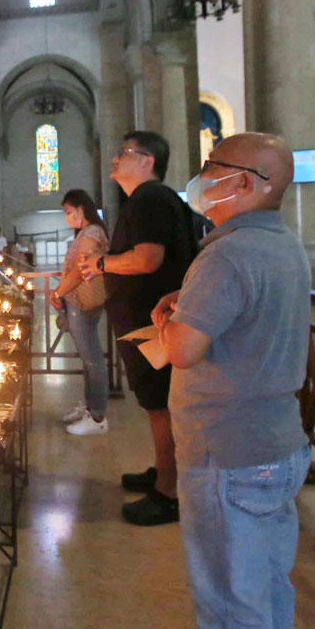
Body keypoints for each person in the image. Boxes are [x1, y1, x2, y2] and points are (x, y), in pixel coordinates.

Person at [152, 132, 311, 629]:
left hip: (228, 453)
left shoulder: (228, 254)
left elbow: (182, 350)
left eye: (211, 168)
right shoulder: (283, 241)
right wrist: (193, 305)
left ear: (244, 182)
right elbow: (248, 315)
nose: (202, 179)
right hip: (277, 443)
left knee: (228, 603)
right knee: (266, 589)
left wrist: (168, 319)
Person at [80, 131, 195, 525]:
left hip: (154, 324)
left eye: (123, 152)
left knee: (160, 405)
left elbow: (147, 259)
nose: (114, 158)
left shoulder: (150, 198)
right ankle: (164, 471)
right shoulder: (147, 200)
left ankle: (168, 492)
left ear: (147, 161)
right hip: (147, 321)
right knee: (156, 403)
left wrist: (101, 264)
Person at [50, 189, 110, 436]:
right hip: (78, 302)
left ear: (81, 208)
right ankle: (89, 407)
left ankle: (97, 417)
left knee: (93, 360)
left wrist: (58, 292)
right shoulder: (86, 233)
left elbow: (80, 269)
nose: (67, 217)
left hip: (82, 304)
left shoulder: (91, 233)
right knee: (88, 360)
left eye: (68, 212)